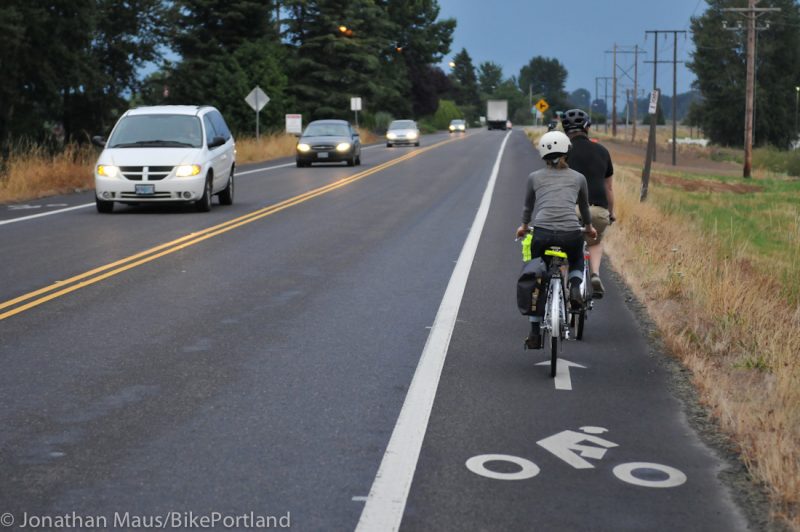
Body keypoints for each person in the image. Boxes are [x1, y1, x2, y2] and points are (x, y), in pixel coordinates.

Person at [516, 130, 596, 348]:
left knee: (536, 276)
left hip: (540, 233)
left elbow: (528, 208)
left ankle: (534, 333)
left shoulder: (534, 177)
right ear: (567, 153)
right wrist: (588, 228)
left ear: (543, 154)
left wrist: (524, 227)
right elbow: (584, 209)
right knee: (577, 259)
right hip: (571, 233)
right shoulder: (579, 178)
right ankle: (575, 287)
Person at [560, 108, 615, 298]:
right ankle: (595, 274)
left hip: (570, 210)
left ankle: (567, 287)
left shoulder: (562, 151)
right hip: (598, 211)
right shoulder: (602, 151)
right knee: (594, 240)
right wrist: (610, 213)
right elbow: (608, 188)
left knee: (565, 247)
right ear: (587, 128)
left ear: (565, 129)